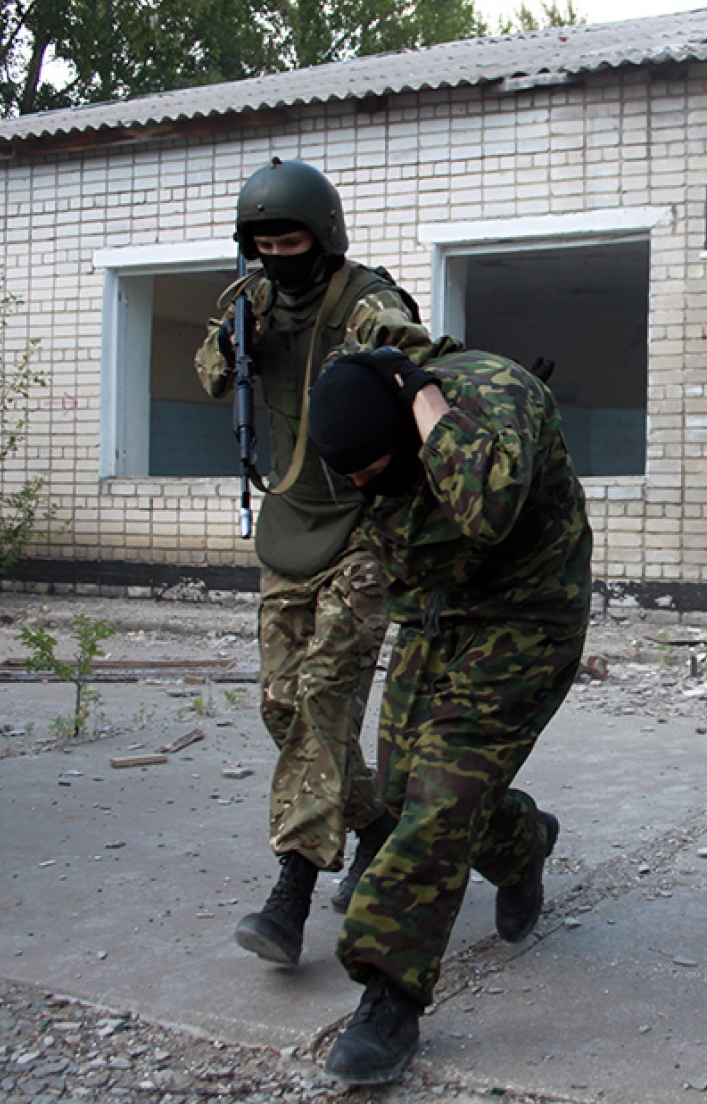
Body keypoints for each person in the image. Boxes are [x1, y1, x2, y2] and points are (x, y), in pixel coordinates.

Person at [305, 341, 591, 1086]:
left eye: (375, 469)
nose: (367, 485)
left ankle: (389, 997)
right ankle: (523, 844)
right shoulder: (364, 442)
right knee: (407, 796)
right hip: (439, 617)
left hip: (527, 618)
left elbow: (487, 508)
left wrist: (424, 401)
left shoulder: (496, 396)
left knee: (444, 795)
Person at [193, 158, 429, 967]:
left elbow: (408, 346)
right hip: (291, 521)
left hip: (364, 524)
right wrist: (235, 342)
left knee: (325, 696)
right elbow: (208, 375)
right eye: (262, 243)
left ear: (323, 236)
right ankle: (373, 825)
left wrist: (395, 359)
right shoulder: (252, 299)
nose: (277, 254)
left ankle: (291, 886)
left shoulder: (364, 297)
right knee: (281, 707)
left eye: (289, 239)